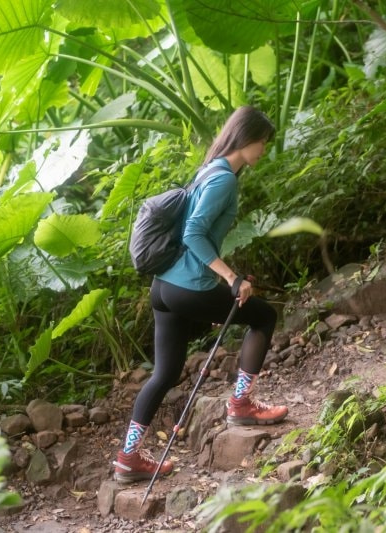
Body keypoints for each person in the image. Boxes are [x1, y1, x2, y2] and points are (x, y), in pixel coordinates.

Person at [113, 106, 289, 482]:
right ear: (246, 139)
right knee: (263, 316)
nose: (264, 150)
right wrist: (231, 278)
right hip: (188, 286)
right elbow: (193, 233)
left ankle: (128, 458)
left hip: (164, 287)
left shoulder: (208, 170)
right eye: (263, 142)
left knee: (165, 372)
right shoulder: (223, 179)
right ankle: (241, 404)